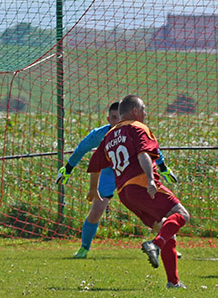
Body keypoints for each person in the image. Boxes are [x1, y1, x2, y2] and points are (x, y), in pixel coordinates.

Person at [87, 95, 190, 289]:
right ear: (135, 111)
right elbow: (143, 153)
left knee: (166, 229)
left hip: (125, 193)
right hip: (141, 184)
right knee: (182, 215)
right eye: (143, 109)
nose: (145, 113)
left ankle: (173, 282)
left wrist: (93, 189)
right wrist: (150, 179)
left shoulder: (110, 135)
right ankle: (155, 245)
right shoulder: (138, 128)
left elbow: (95, 163)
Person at [55, 101, 178, 259]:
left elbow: (151, 149)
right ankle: (84, 248)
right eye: (114, 118)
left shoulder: (134, 130)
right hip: (108, 176)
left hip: (131, 175)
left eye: (120, 117)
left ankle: (167, 245)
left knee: (152, 212)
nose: (117, 121)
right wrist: (68, 169)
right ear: (108, 119)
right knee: (96, 210)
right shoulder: (100, 134)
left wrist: (163, 168)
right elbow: (82, 149)